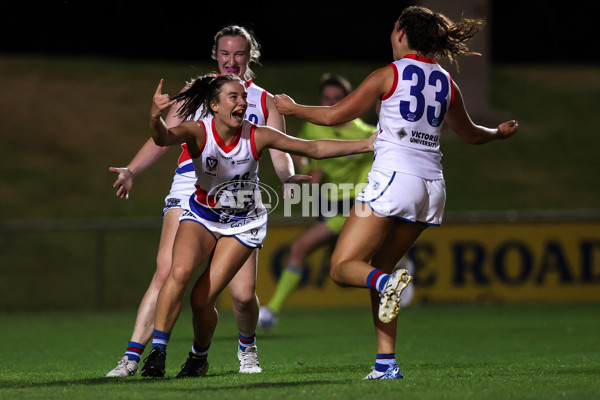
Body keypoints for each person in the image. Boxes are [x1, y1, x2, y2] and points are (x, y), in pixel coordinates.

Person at [274, 6, 518, 380]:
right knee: (378, 268)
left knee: (342, 269)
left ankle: (389, 284)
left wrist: (291, 108)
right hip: (431, 189)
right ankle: (386, 364)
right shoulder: (446, 82)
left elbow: (333, 116)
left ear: (402, 33)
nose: (391, 35)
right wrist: (497, 133)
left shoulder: (389, 74)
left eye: (393, 29)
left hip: (394, 180)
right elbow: (470, 134)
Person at [140, 73, 375, 378]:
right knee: (179, 272)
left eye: (243, 97)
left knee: (202, 298)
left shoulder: (257, 134)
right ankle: (158, 351)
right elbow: (164, 138)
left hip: (243, 222)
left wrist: (367, 143)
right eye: (233, 97)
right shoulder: (199, 131)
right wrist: (154, 117)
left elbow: (313, 148)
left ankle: (200, 356)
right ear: (214, 105)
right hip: (202, 215)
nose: (242, 102)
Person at [105, 25, 305, 377]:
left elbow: (279, 149)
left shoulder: (264, 100)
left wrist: (288, 177)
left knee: (243, 295)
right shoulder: (198, 91)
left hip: (241, 194)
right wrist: (132, 169)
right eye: (224, 53)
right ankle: (132, 357)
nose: (232, 60)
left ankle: (247, 348)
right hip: (190, 185)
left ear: (250, 55)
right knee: (168, 271)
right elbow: (164, 137)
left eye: (239, 53)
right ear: (216, 55)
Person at [258, 73, 382, 331]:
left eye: (336, 99)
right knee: (347, 266)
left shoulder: (368, 134)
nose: (329, 103)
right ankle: (397, 269)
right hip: (327, 205)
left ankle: (270, 312)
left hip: (353, 205)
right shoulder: (314, 128)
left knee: (300, 247)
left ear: (347, 100)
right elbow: (308, 159)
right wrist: (305, 170)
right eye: (326, 98)